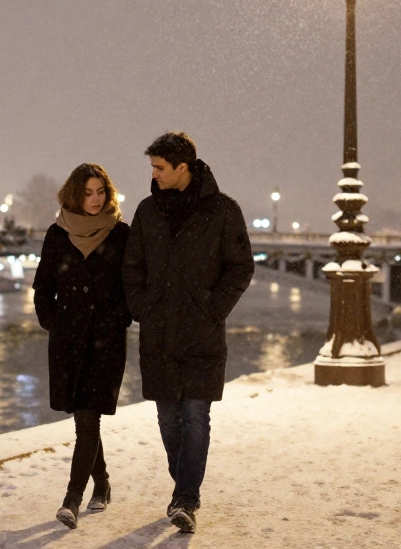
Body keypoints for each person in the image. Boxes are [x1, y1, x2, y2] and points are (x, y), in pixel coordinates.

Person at [122, 131, 254, 534]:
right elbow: (132, 268)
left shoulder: (224, 211)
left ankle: (186, 498)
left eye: (160, 168)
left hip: (201, 333)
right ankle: (184, 487)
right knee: (167, 419)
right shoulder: (147, 212)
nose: (154, 174)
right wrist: (144, 308)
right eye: (153, 168)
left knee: (195, 416)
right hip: (159, 333)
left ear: (184, 168)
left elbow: (240, 267)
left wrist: (213, 309)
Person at [33, 163, 131, 530]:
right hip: (68, 341)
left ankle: (72, 499)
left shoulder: (121, 234)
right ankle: (102, 484)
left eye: (100, 193)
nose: (95, 200)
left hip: (105, 341)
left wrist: (120, 315)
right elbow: (43, 287)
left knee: (88, 420)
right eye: (88, 193)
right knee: (85, 418)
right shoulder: (57, 235)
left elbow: (132, 285)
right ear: (76, 195)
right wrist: (53, 322)